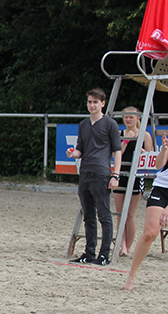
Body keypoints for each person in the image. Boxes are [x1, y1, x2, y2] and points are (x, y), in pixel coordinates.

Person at [67, 88, 122, 266]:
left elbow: (117, 151)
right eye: (90, 102)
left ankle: (104, 254)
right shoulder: (83, 124)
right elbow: (80, 149)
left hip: (101, 174)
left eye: (95, 102)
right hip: (85, 173)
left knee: (104, 216)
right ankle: (89, 252)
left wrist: (115, 175)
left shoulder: (110, 124)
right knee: (88, 216)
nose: (92, 105)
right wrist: (72, 154)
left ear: (102, 104)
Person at [123, 137, 168, 290]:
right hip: (161, 188)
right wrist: (164, 150)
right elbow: (158, 165)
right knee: (149, 233)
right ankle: (131, 275)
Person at [113, 106, 154, 257]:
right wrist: (126, 140)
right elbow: (116, 154)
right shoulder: (119, 134)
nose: (128, 120)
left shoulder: (145, 135)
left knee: (130, 214)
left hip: (137, 176)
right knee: (120, 213)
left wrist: (143, 153)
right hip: (121, 174)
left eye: (131, 117)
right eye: (126, 117)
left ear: (138, 118)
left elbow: (150, 158)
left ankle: (128, 247)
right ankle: (122, 245)